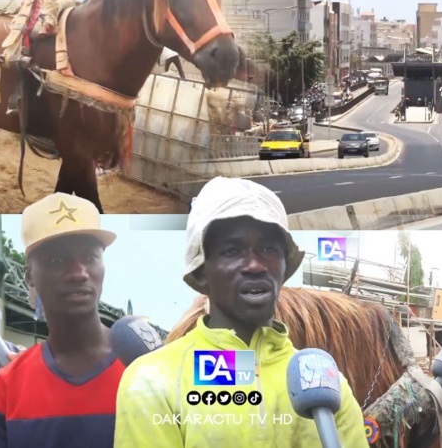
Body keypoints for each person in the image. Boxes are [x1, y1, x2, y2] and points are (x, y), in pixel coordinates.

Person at [114, 177, 368, 447]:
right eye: (232, 250)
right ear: (201, 272)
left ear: (285, 267)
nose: (255, 265)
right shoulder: (153, 380)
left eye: (268, 248)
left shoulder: (329, 385)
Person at [0, 193, 125, 447]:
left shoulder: (148, 361)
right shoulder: (8, 384)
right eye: (56, 260)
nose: (78, 273)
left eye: (90, 257)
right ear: (29, 275)